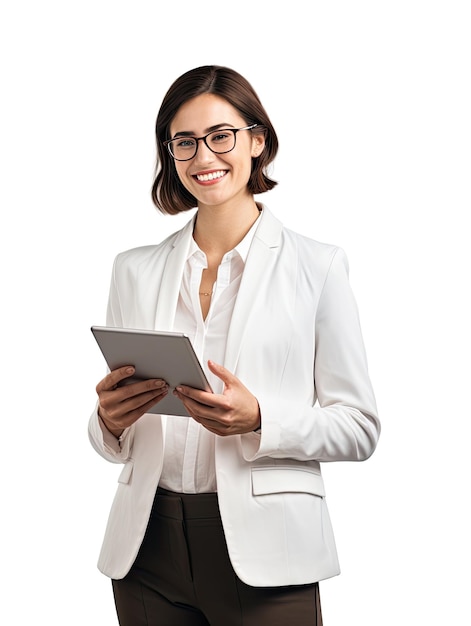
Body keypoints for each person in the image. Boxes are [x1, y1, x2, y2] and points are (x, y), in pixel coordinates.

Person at [88, 65, 380, 626]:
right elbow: (112, 443)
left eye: (220, 135)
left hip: (270, 553)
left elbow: (360, 427)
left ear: (257, 140)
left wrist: (260, 419)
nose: (203, 158)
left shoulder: (318, 267)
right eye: (184, 142)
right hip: (146, 549)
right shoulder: (134, 271)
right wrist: (110, 421)